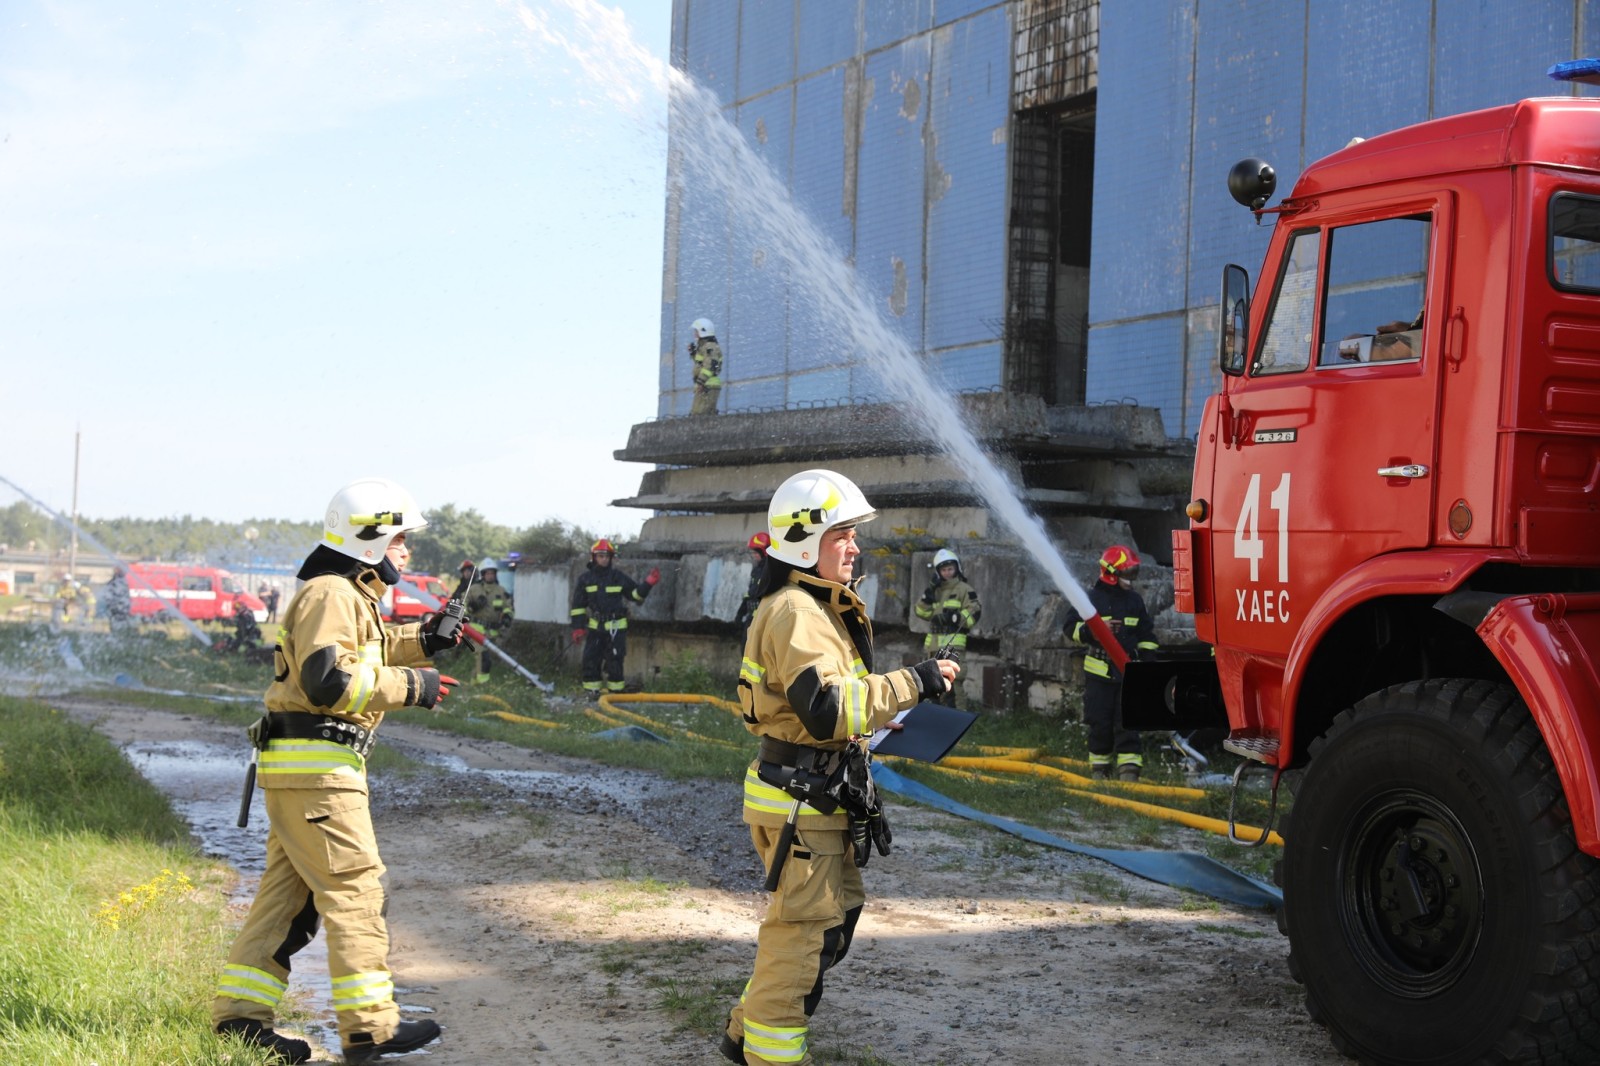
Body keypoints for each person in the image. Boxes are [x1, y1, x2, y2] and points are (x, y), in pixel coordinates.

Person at [210, 477, 464, 1065]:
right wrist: (413, 686)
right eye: (401, 538)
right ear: (369, 538)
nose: (407, 551)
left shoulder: (343, 593)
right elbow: (328, 680)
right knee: (355, 888)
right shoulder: (332, 592)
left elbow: (355, 652)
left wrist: (425, 638)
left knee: (286, 901)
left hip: (306, 772)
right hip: (320, 772)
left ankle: (241, 1022)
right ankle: (369, 1029)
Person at [720, 468, 959, 1066]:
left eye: (854, 535)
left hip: (815, 795)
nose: (855, 547)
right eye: (842, 535)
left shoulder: (806, 605)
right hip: (805, 804)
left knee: (828, 923)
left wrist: (883, 719)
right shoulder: (799, 612)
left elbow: (830, 706)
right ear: (805, 543)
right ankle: (768, 1054)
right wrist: (916, 681)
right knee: (799, 943)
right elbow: (826, 710)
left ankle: (740, 1036)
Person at [1063, 544, 1159, 781]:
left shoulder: (1134, 601)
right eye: (1128, 574)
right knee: (1100, 722)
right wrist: (1091, 632)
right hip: (1099, 676)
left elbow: (1147, 635)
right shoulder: (1090, 599)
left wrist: (1148, 664)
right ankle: (1100, 770)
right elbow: (1069, 628)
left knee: (1128, 722)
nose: (1131, 580)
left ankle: (1129, 771)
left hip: (1128, 674)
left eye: (1133, 573)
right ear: (1111, 573)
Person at [569, 539, 659, 694]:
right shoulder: (585, 579)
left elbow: (635, 596)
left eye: (607, 556)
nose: (604, 559)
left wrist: (648, 584)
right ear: (594, 557)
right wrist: (577, 628)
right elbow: (578, 607)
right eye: (601, 556)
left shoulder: (618, 577)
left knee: (615, 662)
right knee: (591, 660)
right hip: (596, 628)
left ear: (611, 558)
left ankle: (615, 695)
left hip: (616, 629)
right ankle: (592, 694)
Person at [913, 548, 982, 705]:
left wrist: (954, 617)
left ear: (957, 568)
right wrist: (927, 595)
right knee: (932, 683)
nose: (947, 572)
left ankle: (960, 718)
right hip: (934, 645)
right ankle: (934, 719)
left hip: (954, 644)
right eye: (943, 569)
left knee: (955, 682)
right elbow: (920, 612)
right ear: (938, 572)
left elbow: (974, 612)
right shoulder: (935, 591)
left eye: (950, 568)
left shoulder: (964, 589)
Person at [465, 556, 514, 682]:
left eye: (492, 573)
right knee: (482, 655)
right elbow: (462, 606)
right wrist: (473, 607)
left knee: (485, 659)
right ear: (483, 574)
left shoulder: (501, 591)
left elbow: (508, 607)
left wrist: (507, 616)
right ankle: (483, 684)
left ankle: (474, 682)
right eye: (488, 573)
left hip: (493, 632)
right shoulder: (474, 589)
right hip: (475, 630)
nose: (490, 576)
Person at [732, 531, 771, 634]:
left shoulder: (770, 571)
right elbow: (750, 593)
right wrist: (740, 613)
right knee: (745, 648)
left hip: (763, 619)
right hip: (751, 618)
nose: (753, 555)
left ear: (764, 551)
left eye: (756, 552)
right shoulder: (756, 570)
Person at [689, 317, 723, 416]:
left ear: (703, 331)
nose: (695, 334)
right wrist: (693, 353)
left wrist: (701, 382)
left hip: (707, 386)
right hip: (706, 385)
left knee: (699, 416)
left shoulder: (709, 347)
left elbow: (710, 365)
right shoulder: (705, 347)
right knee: (703, 415)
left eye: (696, 331)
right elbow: (701, 363)